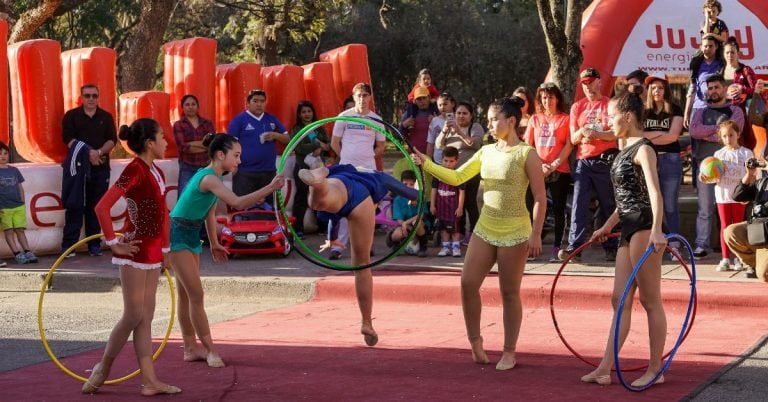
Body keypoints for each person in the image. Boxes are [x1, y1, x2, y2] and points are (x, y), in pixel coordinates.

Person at [412, 97, 547, 371]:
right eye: (487, 118)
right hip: (485, 228)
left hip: (516, 231)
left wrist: (536, 234)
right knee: (467, 283)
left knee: (509, 292)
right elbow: (457, 177)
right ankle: (475, 340)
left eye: (493, 118)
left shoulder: (526, 153)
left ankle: (509, 351)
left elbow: (540, 198)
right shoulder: (486, 151)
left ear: (511, 121)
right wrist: (427, 163)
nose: (489, 123)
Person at [169, 133, 284, 368]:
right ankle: (210, 350)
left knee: (186, 295)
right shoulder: (209, 178)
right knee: (196, 295)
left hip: (190, 235)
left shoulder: (213, 177)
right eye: (236, 155)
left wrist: (214, 242)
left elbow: (210, 212)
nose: (239, 161)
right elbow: (238, 203)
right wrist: (270, 187)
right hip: (177, 234)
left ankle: (191, 349)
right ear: (221, 155)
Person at [84, 118, 181, 396]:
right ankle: (102, 368)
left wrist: (165, 250)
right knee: (134, 313)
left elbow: (163, 213)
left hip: (152, 252)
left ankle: (149, 381)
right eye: (162, 137)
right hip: (134, 249)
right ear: (150, 143)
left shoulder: (157, 172)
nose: (166, 141)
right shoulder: (135, 169)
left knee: (146, 317)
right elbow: (102, 207)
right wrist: (113, 243)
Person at [580, 88, 668, 388]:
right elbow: (625, 199)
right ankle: (605, 367)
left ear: (628, 117)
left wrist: (657, 230)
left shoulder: (643, 148)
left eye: (613, 116)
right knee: (620, 298)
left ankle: (656, 368)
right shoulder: (623, 147)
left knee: (649, 299)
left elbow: (654, 193)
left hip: (644, 225)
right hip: (628, 226)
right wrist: (606, 226)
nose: (609, 122)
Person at [298, 164, 419, 346]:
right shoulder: (380, 177)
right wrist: (420, 194)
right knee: (362, 266)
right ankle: (367, 323)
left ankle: (318, 182)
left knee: (320, 202)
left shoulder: (344, 168)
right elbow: (413, 194)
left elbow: (334, 217)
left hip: (339, 184)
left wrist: (332, 239)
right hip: (361, 200)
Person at [560, 67, 619, 262]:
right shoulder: (578, 107)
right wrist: (584, 131)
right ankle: (574, 248)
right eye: (584, 83)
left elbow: (615, 133)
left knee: (608, 204)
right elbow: (574, 137)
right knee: (578, 205)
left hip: (605, 160)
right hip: (583, 161)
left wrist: (596, 134)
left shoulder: (609, 104)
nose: (588, 86)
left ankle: (612, 246)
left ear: (599, 81)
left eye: (591, 82)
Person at [328, 83, 386, 260]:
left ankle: (365, 246)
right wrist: (346, 158)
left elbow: (381, 146)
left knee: (368, 208)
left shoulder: (376, 119)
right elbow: (334, 143)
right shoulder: (344, 116)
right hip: (347, 169)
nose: (362, 98)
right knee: (344, 205)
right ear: (354, 97)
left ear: (370, 97)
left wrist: (368, 157)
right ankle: (338, 247)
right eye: (359, 95)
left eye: (365, 95)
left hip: (368, 170)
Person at [689, 74, 745, 259]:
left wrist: (709, 133)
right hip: (705, 167)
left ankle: (734, 251)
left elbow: (737, 129)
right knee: (704, 209)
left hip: (730, 169)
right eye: (710, 88)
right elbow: (695, 130)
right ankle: (702, 245)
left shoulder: (734, 110)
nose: (713, 91)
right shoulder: (700, 110)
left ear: (723, 88)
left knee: (731, 211)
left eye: (716, 87)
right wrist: (720, 131)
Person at [61, 84, 117, 257]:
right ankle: (69, 246)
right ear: (81, 97)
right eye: (87, 96)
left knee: (97, 207)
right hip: (77, 170)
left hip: (101, 168)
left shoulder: (106, 117)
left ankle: (94, 245)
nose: (91, 99)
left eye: (94, 96)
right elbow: (68, 140)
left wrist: (98, 152)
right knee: (75, 205)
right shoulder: (71, 116)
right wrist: (89, 154)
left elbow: (112, 140)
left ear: (98, 97)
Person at [524, 82, 572, 262]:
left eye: (551, 97)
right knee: (532, 207)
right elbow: (528, 145)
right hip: (537, 169)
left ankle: (557, 247)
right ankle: (531, 246)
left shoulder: (565, 119)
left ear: (557, 98)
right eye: (544, 97)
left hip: (560, 169)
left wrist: (554, 164)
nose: (547, 100)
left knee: (559, 209)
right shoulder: (535, 119)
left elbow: (569, 144)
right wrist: (539, 166)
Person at [643, 75, 684, 259]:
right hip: (649, 159)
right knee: (651, 203)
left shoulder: (675, 109)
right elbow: (639, 135)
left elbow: (673, 137)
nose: (656, 91)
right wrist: (661, 133)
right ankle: (652, 241)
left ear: (665, 90)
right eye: (653, 88)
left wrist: (650, 135)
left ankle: (674, 244)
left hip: (671, 159)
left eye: (660, 87)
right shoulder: (644, 111)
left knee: (670, 205)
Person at [435, 101, 484, 245]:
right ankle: (460, 233)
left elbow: (475, 144)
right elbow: (439, 145)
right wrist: (445, 131)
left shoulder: (475, 127)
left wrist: (459, 132)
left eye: (465, 113)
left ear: (471, 115)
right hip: (453, 174)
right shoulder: (449, 128)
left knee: (470, 203)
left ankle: (475, 234)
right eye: (458, 113)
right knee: (456, 204)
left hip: (470, 173)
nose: (461, 116)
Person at [227, 89, 289, 199]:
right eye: (255, 101)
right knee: (245, 210)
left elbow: (288, 139)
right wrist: (234, 167)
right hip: (245, 172)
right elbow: (229, 145)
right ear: (247, 103)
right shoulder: (239, 120)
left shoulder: (272, 119)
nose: (259, 104)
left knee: (269, 210)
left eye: (262, 101)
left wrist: (275, 135)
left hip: (269, 172)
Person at [711, 120, 752, 271]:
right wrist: (706, 177)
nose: (728, 139)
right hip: (723, 195)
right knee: (724, 226)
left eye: (731, 135)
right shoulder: (718, 154)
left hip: (739, 196)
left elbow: (752, 175)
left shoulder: (746, 153)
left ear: (738, 134)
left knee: (738, 227)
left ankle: (739, 258)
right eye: (725, 136)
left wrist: (749, 192)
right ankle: (725, 258)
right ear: (720, 137)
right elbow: (714, 175)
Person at [291, 100, 330, 238]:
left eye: (309, 111)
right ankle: (298, 229)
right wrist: (317, 145)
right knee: (301, 198)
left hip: (318, 169)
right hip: (303, 169)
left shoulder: (319, 127)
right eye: (303, 112)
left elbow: (328, 145)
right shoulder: (296, 129)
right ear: (299, 114)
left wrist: (322, 147)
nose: (307, 114)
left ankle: (323, 227)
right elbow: (299, 148)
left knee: (320, 197)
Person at [724, 159, 768, 281]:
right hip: (759, 232)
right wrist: (749, 174)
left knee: (764, 276)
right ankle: (753, 265)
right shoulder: (762, 183)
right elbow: (737, 196)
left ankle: (761, 266)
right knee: (731, 231)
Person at [0, 142, 36, 265]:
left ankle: (27, 251)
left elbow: (19, 186)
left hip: (18, 206)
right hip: (4, 208)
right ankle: (16, 253)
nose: (3, 156)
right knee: (9, 231)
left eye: (5, 153)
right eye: (0, 154)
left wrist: (22, 200)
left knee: (20, 230)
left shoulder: (14, 170)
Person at [173, 94, 215, 196]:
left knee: (205, 198)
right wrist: (204, 145)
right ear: (182, 108)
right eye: (187, 105)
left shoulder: (207, 123)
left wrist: (191, 144)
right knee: (184, 197)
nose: (190, 107)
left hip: (206, 166)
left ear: (198, 106)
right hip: (187, 166)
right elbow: (183, 147)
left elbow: (212, 144)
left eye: (193, 104)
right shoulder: (178, 124)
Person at [723, 36, 757, 150]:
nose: (730, 55)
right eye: (727, 52)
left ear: (738, 53)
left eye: (732, 52)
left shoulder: (746, 70)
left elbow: (755, 89)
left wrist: (742, 89)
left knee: (744, 144)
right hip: (724, 112)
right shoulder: (719, 72)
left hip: (742, 112)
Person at [430, 146, 465, 257]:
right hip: (441, 206)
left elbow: (462, 192)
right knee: (443, 228)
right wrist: (432, 205)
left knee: (454, 228)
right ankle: (445, 247)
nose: (448, 164)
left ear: (456, 161)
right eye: (445, 161)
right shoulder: (438, 174)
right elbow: (434, 190)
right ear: (442, 159)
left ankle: (456, 247)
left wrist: (460, 207)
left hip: (453, 207)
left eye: (451, 161)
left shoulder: (459, 175)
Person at [388, 170, 427, 257]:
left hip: (417, 224)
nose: (408, 187)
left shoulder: (420, 197)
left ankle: (423, 246)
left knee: (417, 223)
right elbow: (399, 219)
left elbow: (421, 215)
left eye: (411, 184)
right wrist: (404, 224)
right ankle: (396, 245)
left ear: (416, 185)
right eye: (405, 184)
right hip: (404, 226)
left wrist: (406, 223)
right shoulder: (398, 199)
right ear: (401, 184)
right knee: (397, 234)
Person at [426, 92, 457, 164]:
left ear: (453, 104)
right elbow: (430, 143)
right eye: (439, 105)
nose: (442, 107)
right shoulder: (434, 121)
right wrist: (429, 161)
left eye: (445, 104)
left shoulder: (459, 119)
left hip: (455, 161)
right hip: (438, 161)